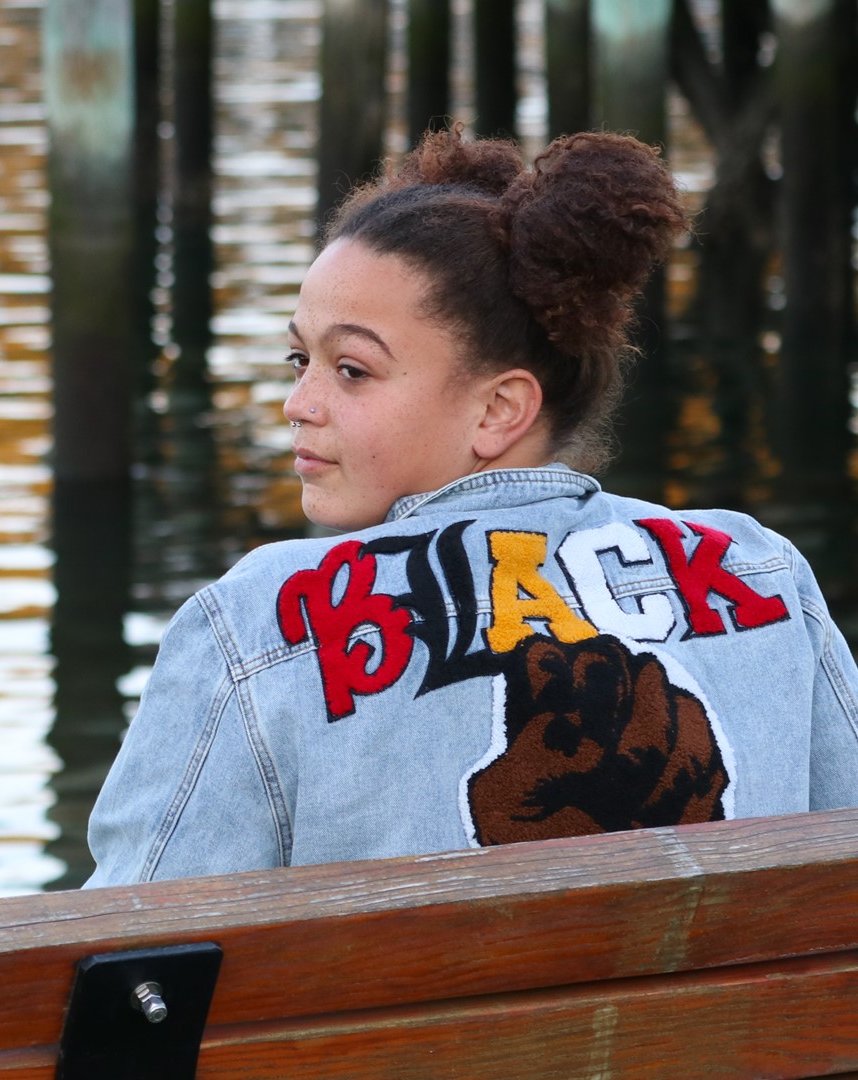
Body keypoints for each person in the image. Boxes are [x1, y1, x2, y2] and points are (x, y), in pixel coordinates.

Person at [85, 130, 858, 886]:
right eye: (301, 359)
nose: (298, 403)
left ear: (498, 410)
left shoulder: (253, 625)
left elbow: (133, 966)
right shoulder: (760, 571)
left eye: (352, 370)